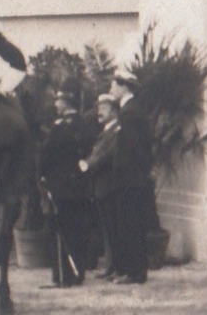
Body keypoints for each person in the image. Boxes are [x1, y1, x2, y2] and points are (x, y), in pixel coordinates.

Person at [85, 85, 154, 285]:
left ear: (124, 86)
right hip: (129, 179)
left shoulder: (129, 113)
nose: (113, 88)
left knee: (129, 227)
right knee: (125, 227)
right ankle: (127, 270)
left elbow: (129, 149)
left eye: (115, 85)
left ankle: (133, 272)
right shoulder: (131, 111)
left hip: (128, 180)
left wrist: (135, 172)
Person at [36, 81, 99, 286]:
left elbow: (45, 156)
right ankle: (78, 272)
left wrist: (42, 176)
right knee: (79, 230)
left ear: (66, 102)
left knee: (59, 231)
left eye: (59, 100)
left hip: (61, 187)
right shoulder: (87, 125)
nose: (56, 104)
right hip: (81, 187)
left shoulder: (59, 127)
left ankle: (63, 276)